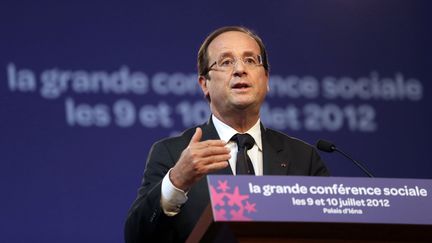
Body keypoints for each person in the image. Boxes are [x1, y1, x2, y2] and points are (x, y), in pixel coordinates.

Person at [124, 26, 329, 242]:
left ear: (266, 79)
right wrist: (176, 182)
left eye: (250, 60)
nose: (240, 69)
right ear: (205, 84)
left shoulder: (304, 157)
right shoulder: (172, 153)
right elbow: (137, 236)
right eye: (226, 62)